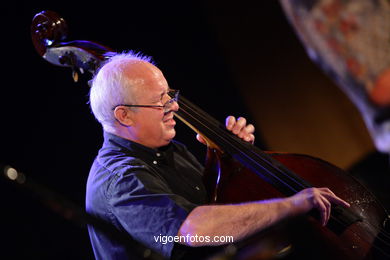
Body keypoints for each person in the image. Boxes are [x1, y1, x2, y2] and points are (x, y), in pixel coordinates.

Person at [85, 51, 350, 259]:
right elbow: (194, 231)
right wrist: (292, 204)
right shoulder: (120, 180)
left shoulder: (169, 149)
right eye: (160, 101)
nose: (174, 106)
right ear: (124, 115)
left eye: (170, 95)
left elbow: (216, 208)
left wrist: (228, 158)